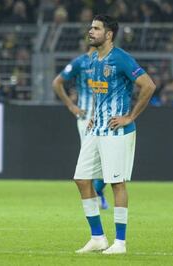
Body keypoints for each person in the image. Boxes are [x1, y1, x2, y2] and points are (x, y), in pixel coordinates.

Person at [73, 15, 156, 255]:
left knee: (116, 183)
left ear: (108, 34)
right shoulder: (95, 60)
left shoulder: (121, 58)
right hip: (96, 129)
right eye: (90, 27)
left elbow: (148, 85)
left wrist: (130, 117)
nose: (91, 31)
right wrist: (94, 115)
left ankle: (120, 242)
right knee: (81, 179)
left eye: (96, 28)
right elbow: (102, 93)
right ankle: (97, 237)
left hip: (116, 132)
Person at [52, 46, 109, 210]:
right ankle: (95, 195)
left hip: (105, 117)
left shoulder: (109, 62)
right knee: (93, 159)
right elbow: (57, 82)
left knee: (108, 160)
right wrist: (71, 106)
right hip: (85, 119)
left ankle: (98, 191)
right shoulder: (80, 62)